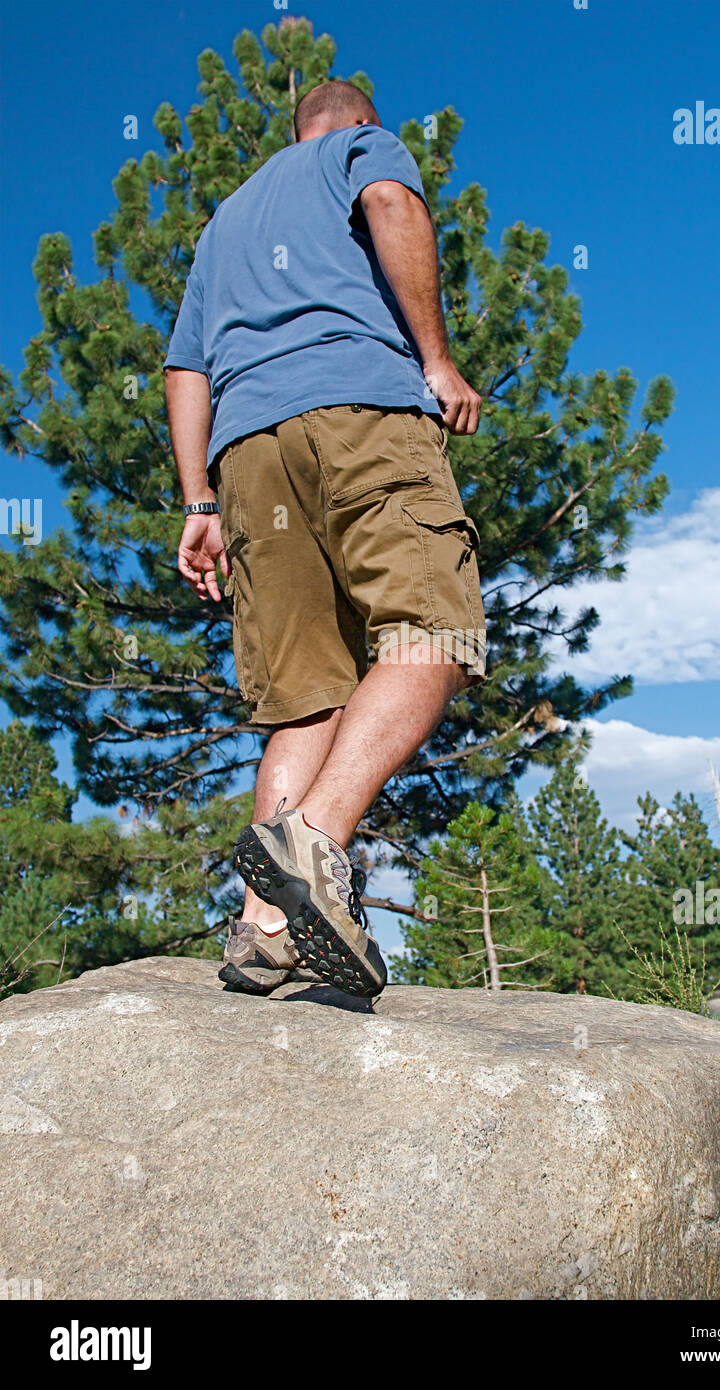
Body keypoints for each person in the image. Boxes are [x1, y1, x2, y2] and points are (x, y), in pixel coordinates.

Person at [164, 80, 485, 999]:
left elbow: (186, 366)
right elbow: (391, 205)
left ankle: (263, 930)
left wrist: (197, 503)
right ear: (361, 122)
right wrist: (433, 356)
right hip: (359, 410)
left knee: (303, 697)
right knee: (436, 628)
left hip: (246, 456)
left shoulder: (224, 220)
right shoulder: (361, 152)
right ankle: (316, 845)